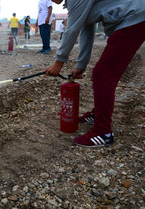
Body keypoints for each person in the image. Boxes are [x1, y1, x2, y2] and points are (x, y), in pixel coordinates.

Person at [45, 0, 145, 148]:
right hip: (134, 18)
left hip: (133, 18)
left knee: (103, 75)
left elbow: (72, 30)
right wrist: (81, 64)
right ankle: (98, 114)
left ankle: (103, 132)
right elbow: (86, 28)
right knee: (105, 73)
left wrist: (59, 62)